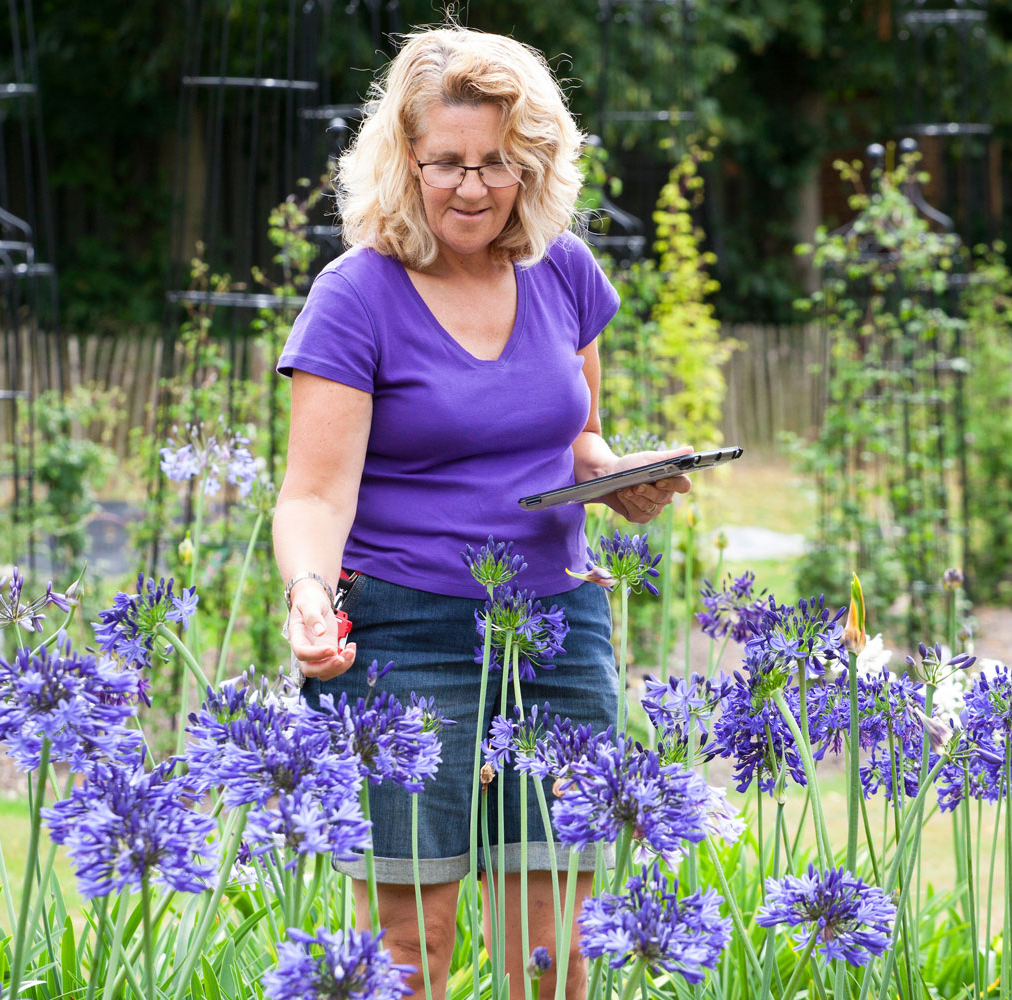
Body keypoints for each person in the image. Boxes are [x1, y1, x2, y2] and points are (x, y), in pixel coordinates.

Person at [271, 24, 692, 1000]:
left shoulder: (561, 272)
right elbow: (314, 490)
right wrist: (307, 593)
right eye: (446, 163)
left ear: (532, 163)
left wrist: (618, 476)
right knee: (411, 942)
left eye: (496, 163)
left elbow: (576, 438)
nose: (470, 187)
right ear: (402, 161)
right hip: (406, 632)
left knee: (551, 953)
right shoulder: (356, 296)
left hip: (554, 630)